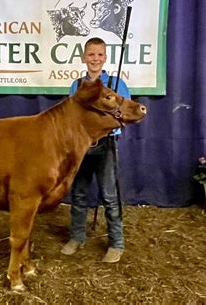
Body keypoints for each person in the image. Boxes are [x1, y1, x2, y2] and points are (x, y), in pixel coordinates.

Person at [61, 37, 130, 263]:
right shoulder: (77, 85)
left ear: (105, 57)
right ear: (84, 57)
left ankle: (116, 243)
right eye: (91, 54)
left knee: (110, 196)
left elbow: (124, 115)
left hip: (106, 144)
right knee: (79, 193)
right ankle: (77, 237)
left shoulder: (117, 85)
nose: (95, 59)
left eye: (99, 55)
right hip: (82, 147)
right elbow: (73, 116)